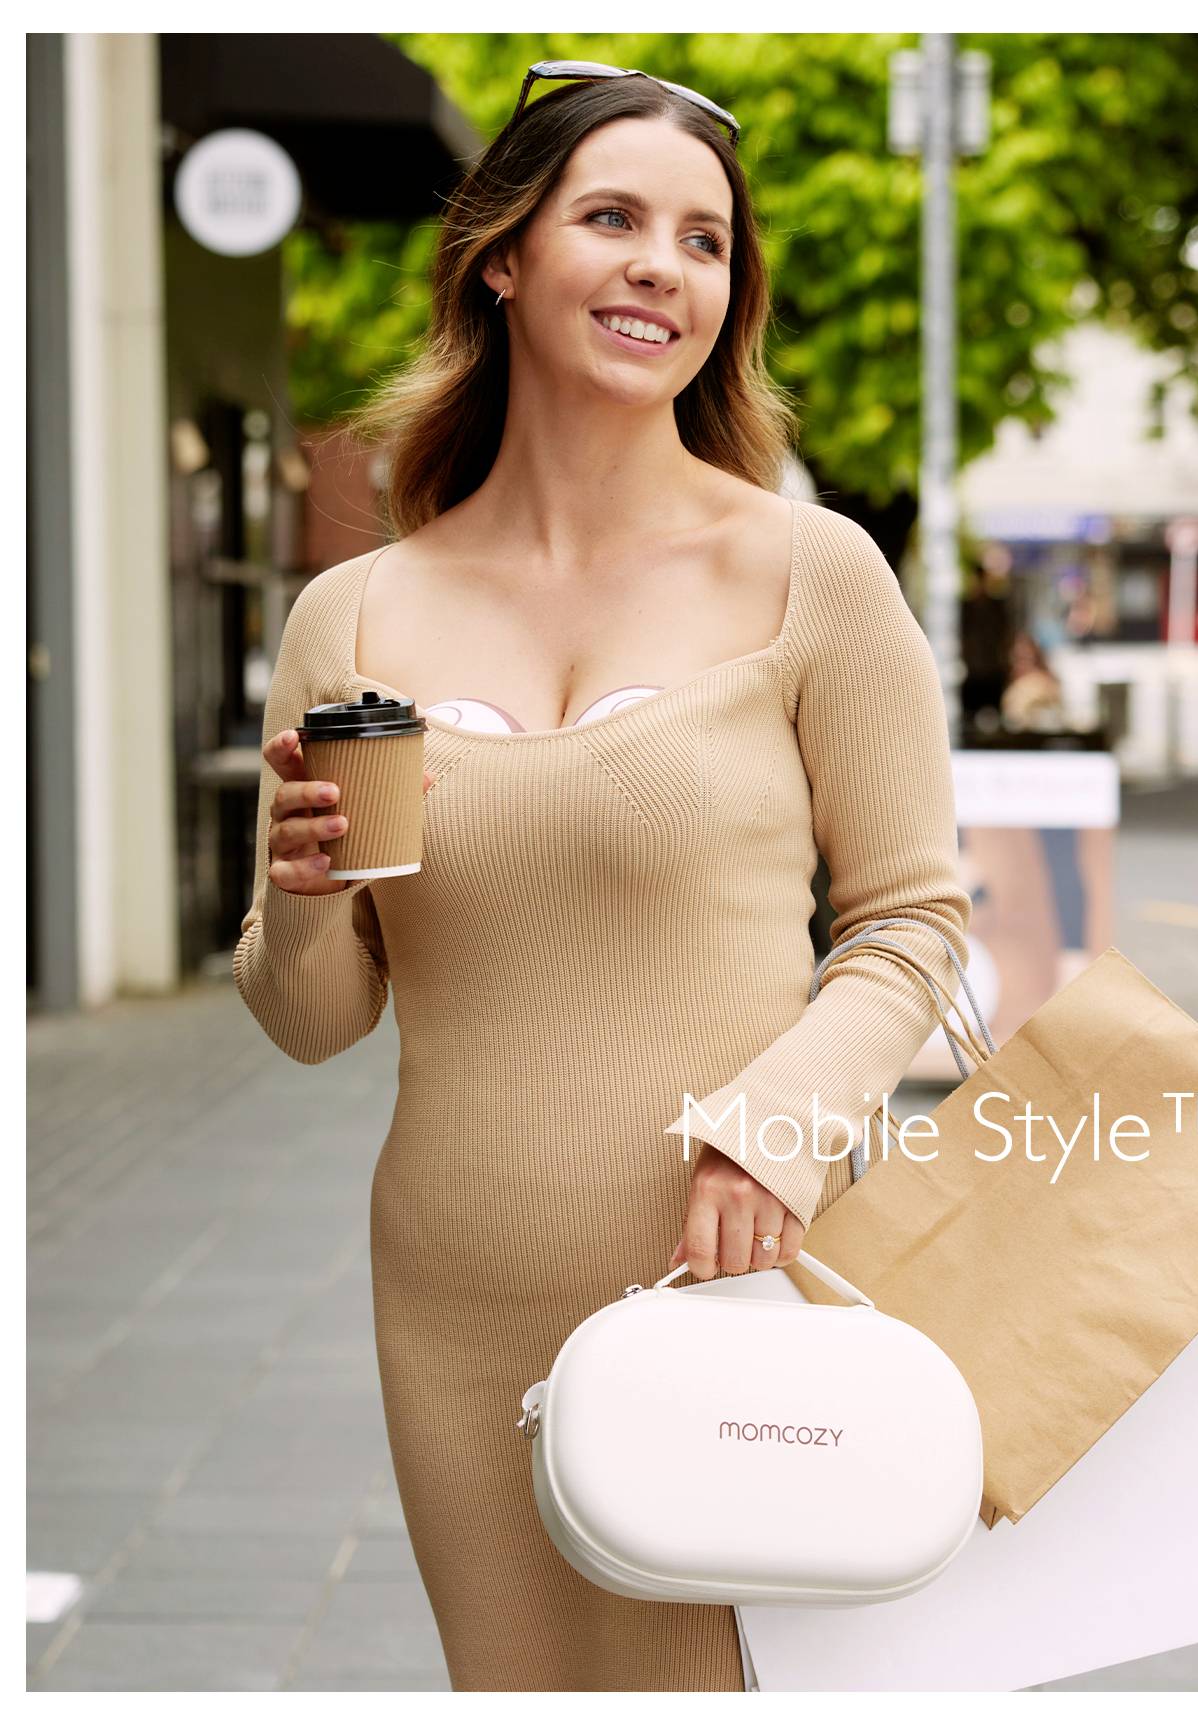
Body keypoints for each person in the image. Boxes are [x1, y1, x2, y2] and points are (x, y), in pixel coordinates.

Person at [233, 61, 970, 1694]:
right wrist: (298, 897)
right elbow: (315, 1020)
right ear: (504, 254)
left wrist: (778, 1121)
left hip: (752, 1286)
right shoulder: (352, 616)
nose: (665, 266)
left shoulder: (809, 572)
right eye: (616, 219)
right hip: (458, 1297)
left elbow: (914, 916)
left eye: (706, 242)